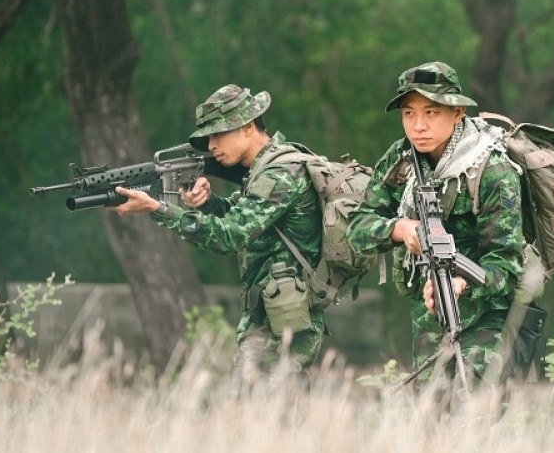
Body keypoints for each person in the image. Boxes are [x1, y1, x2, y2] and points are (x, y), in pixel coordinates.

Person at [109, 84, 325, 395]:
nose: (211, 145)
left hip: (287, 319)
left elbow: (230, 236)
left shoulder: (279, 172)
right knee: (255, 416)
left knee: (261, 415)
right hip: (271, 315)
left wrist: (157, 208)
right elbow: (245, 216)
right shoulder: (262, 170)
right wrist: (207, 203)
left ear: (248, 127)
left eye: (218, 134)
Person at [347, 62, 527, 396]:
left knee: (478, 418)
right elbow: (358, 228)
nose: (418, 126)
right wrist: (400, 229)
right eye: (409, 114)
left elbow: (507, 267)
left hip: (487, 317)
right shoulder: (401, 159)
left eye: (431, 112)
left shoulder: (492, 170)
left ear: (457, 112)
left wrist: (462, 281)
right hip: (428, 314)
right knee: (430, 419)